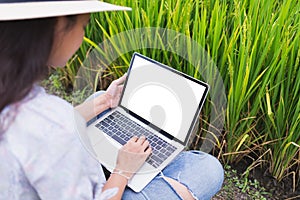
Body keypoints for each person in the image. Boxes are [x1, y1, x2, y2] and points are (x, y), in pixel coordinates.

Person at [0, 0, 224, 199]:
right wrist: (122, 171)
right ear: (59, 26)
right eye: (83, 25)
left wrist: (104, 102)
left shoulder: (14, 94)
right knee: (208, 169)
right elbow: (53, 132)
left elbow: (46, 129)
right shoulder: (56, 127)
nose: (82, 35)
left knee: (100, 100)